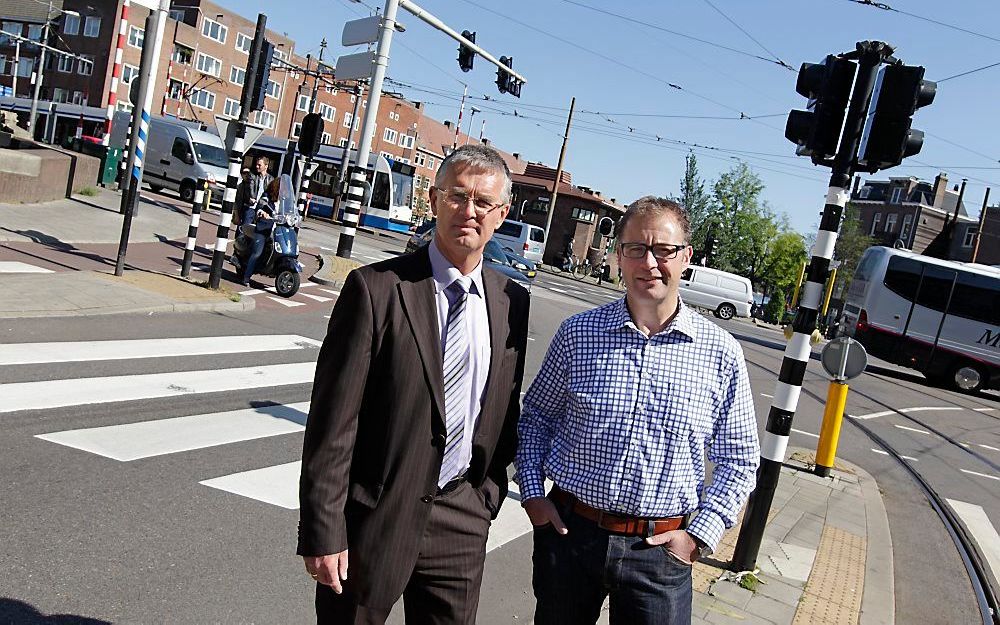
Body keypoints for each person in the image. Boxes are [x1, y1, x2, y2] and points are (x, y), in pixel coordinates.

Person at [298, 143, 530, 624]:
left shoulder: (512, 302)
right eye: (457, 196)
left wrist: (485, 497)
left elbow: (502, 408)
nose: (469, 211)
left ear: (502, 213)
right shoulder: (376, 289)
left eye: (483, 202)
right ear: (433, 199)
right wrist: (325, 530)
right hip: (375, 517)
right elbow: (332, 423)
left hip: (461, 521)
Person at [516, 196, 759, 625]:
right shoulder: (579, 334)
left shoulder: (721, 353)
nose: (650, 262)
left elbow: (739, 459)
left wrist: (699, 536)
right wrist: (534, 495)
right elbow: (536, 419)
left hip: (661, 553)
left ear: (685, 257)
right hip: (572, 537)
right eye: (636, 249)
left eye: (664, 250)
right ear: (618, 256)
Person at [238, 177, 279, 286]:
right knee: (257, 253)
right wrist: (263, 213)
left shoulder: (283, 201)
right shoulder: (267, 196)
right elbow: (261, 206)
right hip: (263, 229)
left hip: (275, 231)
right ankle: (246, 277)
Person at [235, 156, 273, 228]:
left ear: (266, 166)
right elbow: (248, 190)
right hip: (250, 207)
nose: (257, 166)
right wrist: (250, 198)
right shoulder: (252, 176)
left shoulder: (270, 179)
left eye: (259, 165)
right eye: (256, 164)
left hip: (262, 209)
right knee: (244, 228)